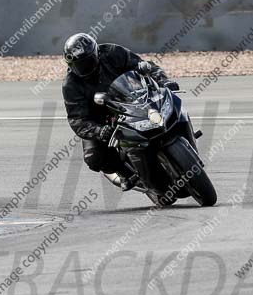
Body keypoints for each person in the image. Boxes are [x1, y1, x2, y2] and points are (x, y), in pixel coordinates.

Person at [61, 33, 179, 190]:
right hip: (101, 120)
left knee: (167, 103)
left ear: (96, 53)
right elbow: (77, 119)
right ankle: (126, 174)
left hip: (132, 100)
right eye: (78, 65)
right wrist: (99, 131)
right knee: (93, 157)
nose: (84, 68)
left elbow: (142, 66)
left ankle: (179, 133)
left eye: (87, 62)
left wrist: (163, 80)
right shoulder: (71, 85)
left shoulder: (112, 52)